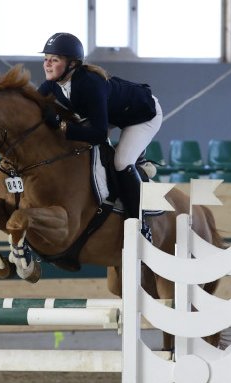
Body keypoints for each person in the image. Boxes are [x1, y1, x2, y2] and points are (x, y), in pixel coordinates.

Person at [37, 32, 162, 240]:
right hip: (111, 113)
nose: (47, 65)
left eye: (54, 60)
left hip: (142, 114)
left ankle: (140, 225)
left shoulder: (90, 83)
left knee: (121, 162)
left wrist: (61, 125)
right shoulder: (51, 84)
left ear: (72, 64)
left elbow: (98, 134)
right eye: (46, 59)